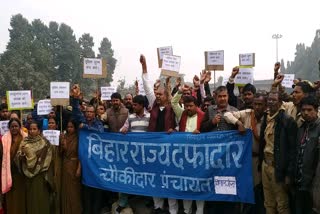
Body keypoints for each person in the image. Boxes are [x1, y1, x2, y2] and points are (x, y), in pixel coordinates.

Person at [141, 54, 177, 214]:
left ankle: (173, 209)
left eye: (160, 94)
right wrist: (144, 67)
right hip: (154, 149)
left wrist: (173, 130)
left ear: (166, 95)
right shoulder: (153, 104)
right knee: (156, 178)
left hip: (169, 149)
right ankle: (157, 206)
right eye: (156, 94)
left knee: (169, 179)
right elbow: (147, 86)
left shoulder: (174, 107)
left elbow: (179, 125)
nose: (157, 96)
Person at [200, 86, 245, 214]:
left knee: (228, 188)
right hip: (213, 158)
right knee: (213, 187)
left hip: (229, 159)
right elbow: (202, 128)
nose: (222, 99)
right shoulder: (209, 110)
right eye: (220, 96)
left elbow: (241, 132)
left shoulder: (235, 111)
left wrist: (238, 125)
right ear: (215, 97)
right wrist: (212, 122)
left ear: (228, 97)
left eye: (224, 96)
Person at [224, 92, 268, 214]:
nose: (258, 107)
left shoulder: (269, 118)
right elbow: (227, 114)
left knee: (261, 190)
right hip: (247, 159)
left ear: (265, 106)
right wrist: (239, 123)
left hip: (262, 159)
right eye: (256, 104)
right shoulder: (248, 113)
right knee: (248, 188)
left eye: (260, 104)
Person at [259, 90, 297, 214]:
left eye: (274, 100)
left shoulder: (287, 120)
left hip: (278, 167)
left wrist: (288, 174)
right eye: (269, 99)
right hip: (266, 164)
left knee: (282, 204)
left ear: (280, 102)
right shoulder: (266, 117)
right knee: (268, 203)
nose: (271, 102)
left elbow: (292, 150)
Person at [171, 86, 205, 214]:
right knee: (186, 184)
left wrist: (200, 135)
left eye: (191, 106)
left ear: (196, 106)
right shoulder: (182, 114)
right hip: (183, 157)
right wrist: (179, 91)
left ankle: (200, 211)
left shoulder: (203, 116)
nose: (189, 108)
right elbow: (173, 103)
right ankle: (187, 210)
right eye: (186, 106)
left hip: (199, 156)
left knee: (198, 185)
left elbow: (208, 133)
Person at [118, 95, 150, 213]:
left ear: (141, 105)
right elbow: (123, 129)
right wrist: (123, 130)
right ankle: (122, 202)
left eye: (135, 105)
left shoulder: (150, 117)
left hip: (146, 155)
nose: (133, 106)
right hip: (132, 154)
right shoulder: (130, 117)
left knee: (146, 176)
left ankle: (147, 199)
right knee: (127, 176)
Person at [15, 121, 53, 214]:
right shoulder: (24, 142)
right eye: (30, 129)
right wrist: (22, 155)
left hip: (40, 178)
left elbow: (47, 160)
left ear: (39, 130)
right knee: (31, 202)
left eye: (34, 129)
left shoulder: (45, 143)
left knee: (41, 200)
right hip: (28, 178)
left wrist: (36, 166)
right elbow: (17, 158)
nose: (32, 131)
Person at [294, 96, 320, 214]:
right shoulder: (301, 128)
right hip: (299, 180)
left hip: (314, 182)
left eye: (309, 110)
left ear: (316, 110)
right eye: (303, 110)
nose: (306, 113)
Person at [1, 118, 28, 214]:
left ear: (20, 127)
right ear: (9, 128)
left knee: (21, 198)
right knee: (11, 199)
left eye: (16, 126)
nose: (14, 128)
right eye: (12, 126)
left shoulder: (25, 138)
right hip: (9, 173)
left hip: (21, 174)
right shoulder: (5, 140)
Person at [60, 119, 82, 214]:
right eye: (68, 127)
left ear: (75, 127)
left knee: (74, 192)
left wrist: (78, 169)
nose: (69, 129)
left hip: (74, 165)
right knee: (65, 190)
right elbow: (60, 153)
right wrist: (63, 146)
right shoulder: (64, 137)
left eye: (71, 127)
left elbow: (81, 154)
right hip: (65, 165)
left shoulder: (78, 138)